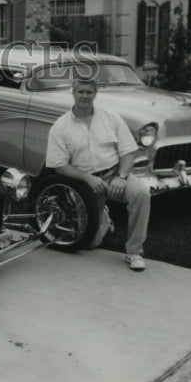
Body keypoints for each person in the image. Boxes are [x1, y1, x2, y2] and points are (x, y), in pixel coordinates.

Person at [45, 72, 151, 271]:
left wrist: (121, 177)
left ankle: (134, 251)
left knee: (141, 194)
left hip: (114, 174)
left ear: (96, 93)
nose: (84, 96)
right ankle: (102, 215)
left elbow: (128, 151)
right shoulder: (60, 127)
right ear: (73, 92)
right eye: (80, 91)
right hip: (84, 183)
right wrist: (88, 178)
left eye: (89, 92)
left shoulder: (110, 117)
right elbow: (59, 165)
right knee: (92, 243)